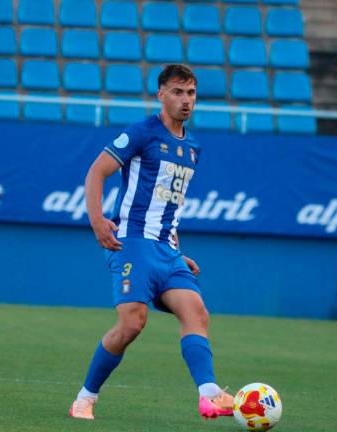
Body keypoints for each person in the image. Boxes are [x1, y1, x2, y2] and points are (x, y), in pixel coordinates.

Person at [68, 64, 234, 421]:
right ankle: (85, 398)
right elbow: (97, 171)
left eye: (190, 93)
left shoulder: (192, 147)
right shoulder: (142, 133)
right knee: (132, 324)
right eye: (177, 92)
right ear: (161, 94)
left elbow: (168, 205)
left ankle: (209, 394)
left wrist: (177, 249)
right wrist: (97, 221)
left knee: (197, 312)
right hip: (132, 243)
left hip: (167, 249)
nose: (185, 100)